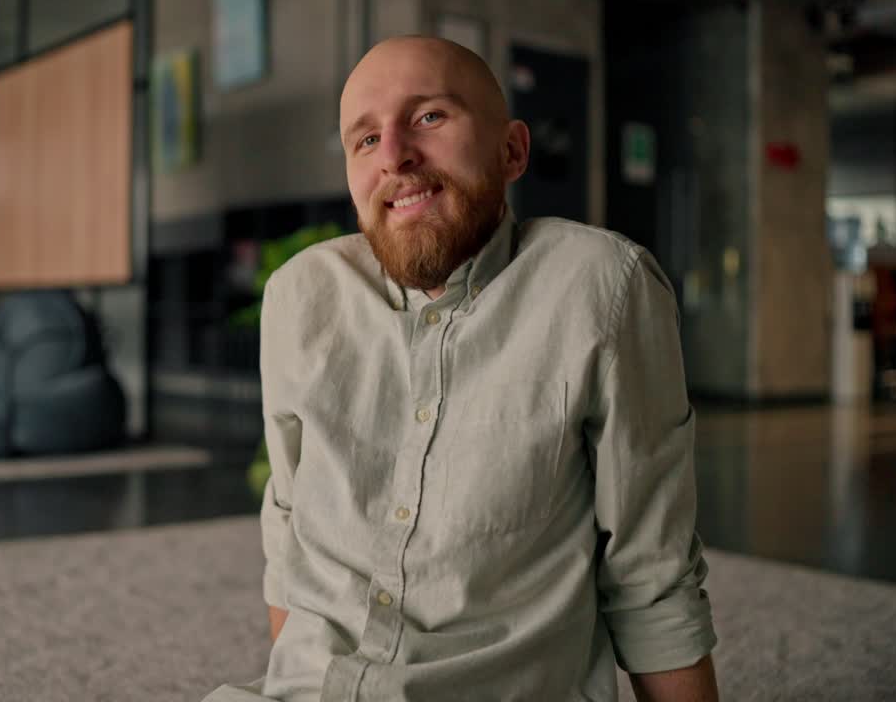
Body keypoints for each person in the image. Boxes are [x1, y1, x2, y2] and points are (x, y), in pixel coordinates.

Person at [204, 35, 718, 702]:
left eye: (429, 118)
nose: (394, 156)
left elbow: (652, 571)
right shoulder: (301, 296)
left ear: (512, 151)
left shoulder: (602, 287)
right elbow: (289, 534)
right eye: (364, 140)